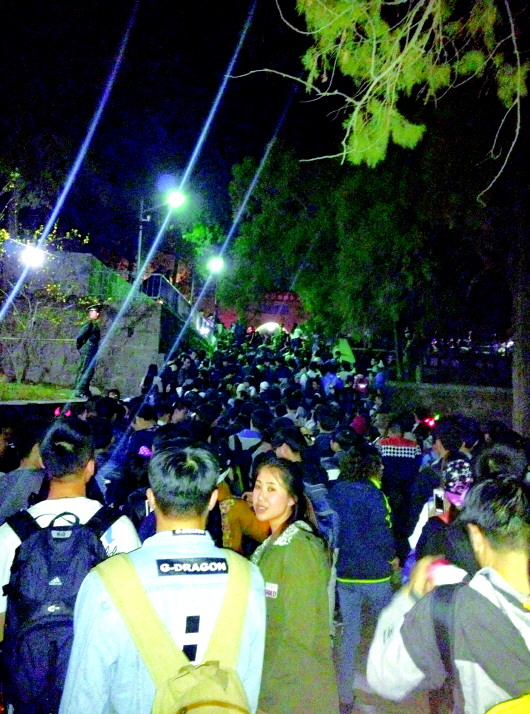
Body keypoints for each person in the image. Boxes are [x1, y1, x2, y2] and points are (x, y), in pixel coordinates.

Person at [59, 446, 266, 714]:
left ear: (151, 499)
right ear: (213, 499)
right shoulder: (248, 577)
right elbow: (248, 684)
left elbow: (84, 697)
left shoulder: (108, 582)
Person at [367, 477, 530, 714]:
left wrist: (409, 595)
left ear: (476, 536)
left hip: (446, 618)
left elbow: (424, 535)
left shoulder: (440, 500)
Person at [251, 454, 339, 713]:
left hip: (293, 691)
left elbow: (301, 632)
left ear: (292, 499)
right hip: (273, 680)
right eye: (258, 486)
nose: (260, 497)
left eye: (271, 489)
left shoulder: (299, 548)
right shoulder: (271, 544)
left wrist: (271, 692)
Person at [329, 450, 396, 712]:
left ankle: (345, 695)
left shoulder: (336, 491)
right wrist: (393, 557)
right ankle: (387, 685)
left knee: (350, 634)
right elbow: (383, 532)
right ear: (371, 468)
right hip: (376, 574)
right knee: (386, 630)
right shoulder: (374, 494)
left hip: (346, 572)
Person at [74, 304, 101, 398]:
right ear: (90, 313)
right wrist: (81, 347)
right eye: (95, 312)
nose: (97, 314)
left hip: (92, 350)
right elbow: (80, 337)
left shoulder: (94, 324)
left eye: (97, 312)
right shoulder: (89, 323)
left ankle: (85, 389)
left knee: (90, 371)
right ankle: (80, 390)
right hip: (88, 349)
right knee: (85, 370)